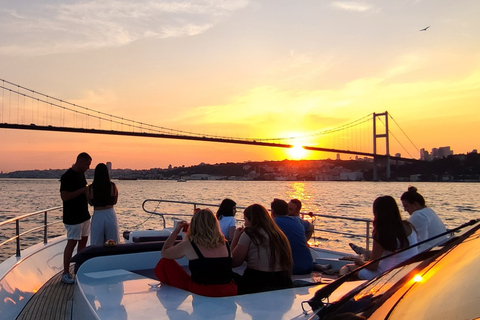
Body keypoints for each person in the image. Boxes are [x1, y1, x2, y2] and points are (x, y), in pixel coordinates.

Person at [154, 208, 237, 297]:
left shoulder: (189, 245)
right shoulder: (225, 243)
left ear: (194, 225)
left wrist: (176, 231)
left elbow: (165, 252)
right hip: (229, 290)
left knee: (165, 262)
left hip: (202, 291)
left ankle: (171, 299)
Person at [339, 196, 418, 280]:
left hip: (386, 274)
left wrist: (359, 261)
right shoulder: (409, 226)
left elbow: (373, 267)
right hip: (408, 271)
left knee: (347, 268)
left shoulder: (382, 233)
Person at [231, 204, 293, 294]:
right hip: (283, 281)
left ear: (251, 220)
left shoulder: (250, 233)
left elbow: (233, 262)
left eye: (245, 220)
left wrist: (235, 238)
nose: (244, 223)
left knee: (227, 275)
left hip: (257, 283)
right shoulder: (279, 234)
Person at [59, 152, 92, 284]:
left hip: (84, 215)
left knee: (83, 244)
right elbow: (64, 197)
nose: (88, 167)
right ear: (80, 162)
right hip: (73, 217)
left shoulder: (81, 175)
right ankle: (66, 273)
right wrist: (82, 191)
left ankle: (80, 269)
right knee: (71, 244)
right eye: (87, 164)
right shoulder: (67, 177)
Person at [272, 198, 313, 275]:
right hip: (308, 266)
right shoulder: (298, 220)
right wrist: (304, 241)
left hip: (290, 269)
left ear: (273, 211)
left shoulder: (272, 223)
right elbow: (311, 227)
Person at [401, 186, 447, 252]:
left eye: (406, 206)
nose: (405, 210)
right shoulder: (428, 211)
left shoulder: (418, 216)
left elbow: (419, 242)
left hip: (431, 251)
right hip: (440, 246)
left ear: (415, 204)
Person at [86, 163, 120, 246]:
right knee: (113, 242)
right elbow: (115, 201)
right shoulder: (112, 186)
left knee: (96, 243)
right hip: (110, 213)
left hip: (98, 214)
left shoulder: (90, 188)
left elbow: (90, 202)